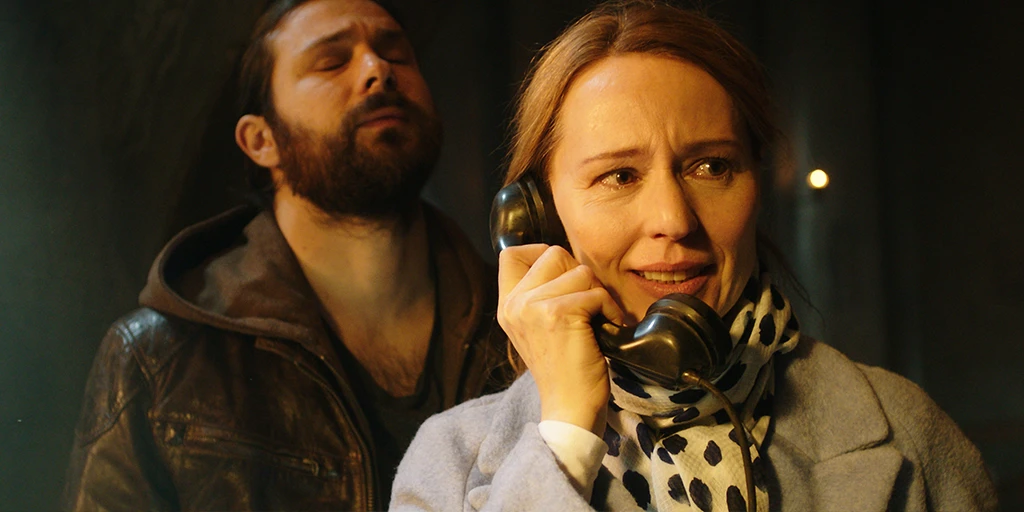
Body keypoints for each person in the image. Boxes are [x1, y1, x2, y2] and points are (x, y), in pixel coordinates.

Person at [390, 1, 999, 510]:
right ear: (540, 219)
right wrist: (566, 434)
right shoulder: (449, 459)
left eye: (711, 166)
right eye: (619, 176)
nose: (673, 220)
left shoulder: (910, 432)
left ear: (757, 185)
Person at [63, 0, 509, 509]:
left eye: (396, 54)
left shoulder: (522, 326)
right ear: (261, 141)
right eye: (331, 61)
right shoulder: (157, 361)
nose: (377, 70)